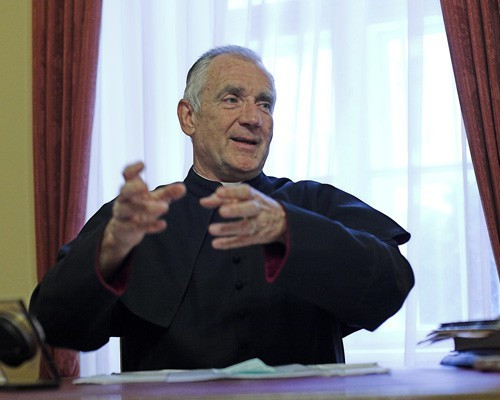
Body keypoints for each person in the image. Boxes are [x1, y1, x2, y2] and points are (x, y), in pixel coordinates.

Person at [30, 45, 414, 371]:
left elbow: (391, 285)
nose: (253, 118)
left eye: (264, 104)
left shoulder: (313, 203)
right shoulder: (138, 217)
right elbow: (55, 323)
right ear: (189, 117)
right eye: (232, 99)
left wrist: (289, 229)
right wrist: (110, 250)